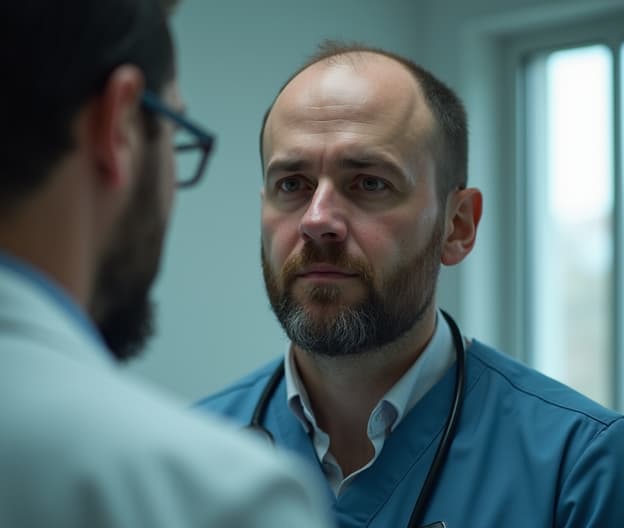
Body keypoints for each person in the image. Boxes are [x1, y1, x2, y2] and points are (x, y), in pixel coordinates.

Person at [0, 2, 333, 527]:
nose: (318, 221)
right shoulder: (213, 498)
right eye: (175, 127)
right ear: (119, 124)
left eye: (369, 184)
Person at [197, 40, 624, 527]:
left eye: (369, 183)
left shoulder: (581, 468)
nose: (317, 220)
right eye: (292, 184)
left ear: (458, 224)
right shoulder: (184, 456)